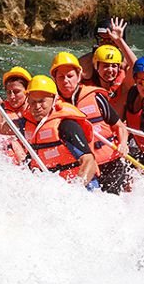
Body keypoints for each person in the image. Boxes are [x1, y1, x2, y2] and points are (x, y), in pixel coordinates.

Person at [0, 75, 99, 189]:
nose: (37, 106)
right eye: (33, 102)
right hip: (50, 189)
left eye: (42, 101)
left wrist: (75, 190)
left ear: (54, 100)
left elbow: (89, 162)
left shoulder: (66, 125)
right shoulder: (26, 123)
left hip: (81, 190)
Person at [50, 51, 131, 194]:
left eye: (70, 76)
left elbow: (120, 126)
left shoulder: (95, 97)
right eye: (61, 77)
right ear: (54, 78)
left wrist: (123, 144)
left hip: (109, 163)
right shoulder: (50, 104)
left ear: (79, 76)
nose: (65, 81)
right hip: (79, 166)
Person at [80, 17, 133, 82]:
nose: (106, 44)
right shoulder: (85, 62)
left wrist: (120, 40)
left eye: (111, 40)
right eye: (102, 40)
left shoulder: (126, 63)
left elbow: (139, 70)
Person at [91, 44, 135, 117]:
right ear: (96, 66)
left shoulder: (123, 87)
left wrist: (119, 40)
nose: (110, 70)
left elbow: (135, 66)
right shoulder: (88, 88)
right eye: (105, 65)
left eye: (114, 66)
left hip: (119, 126)